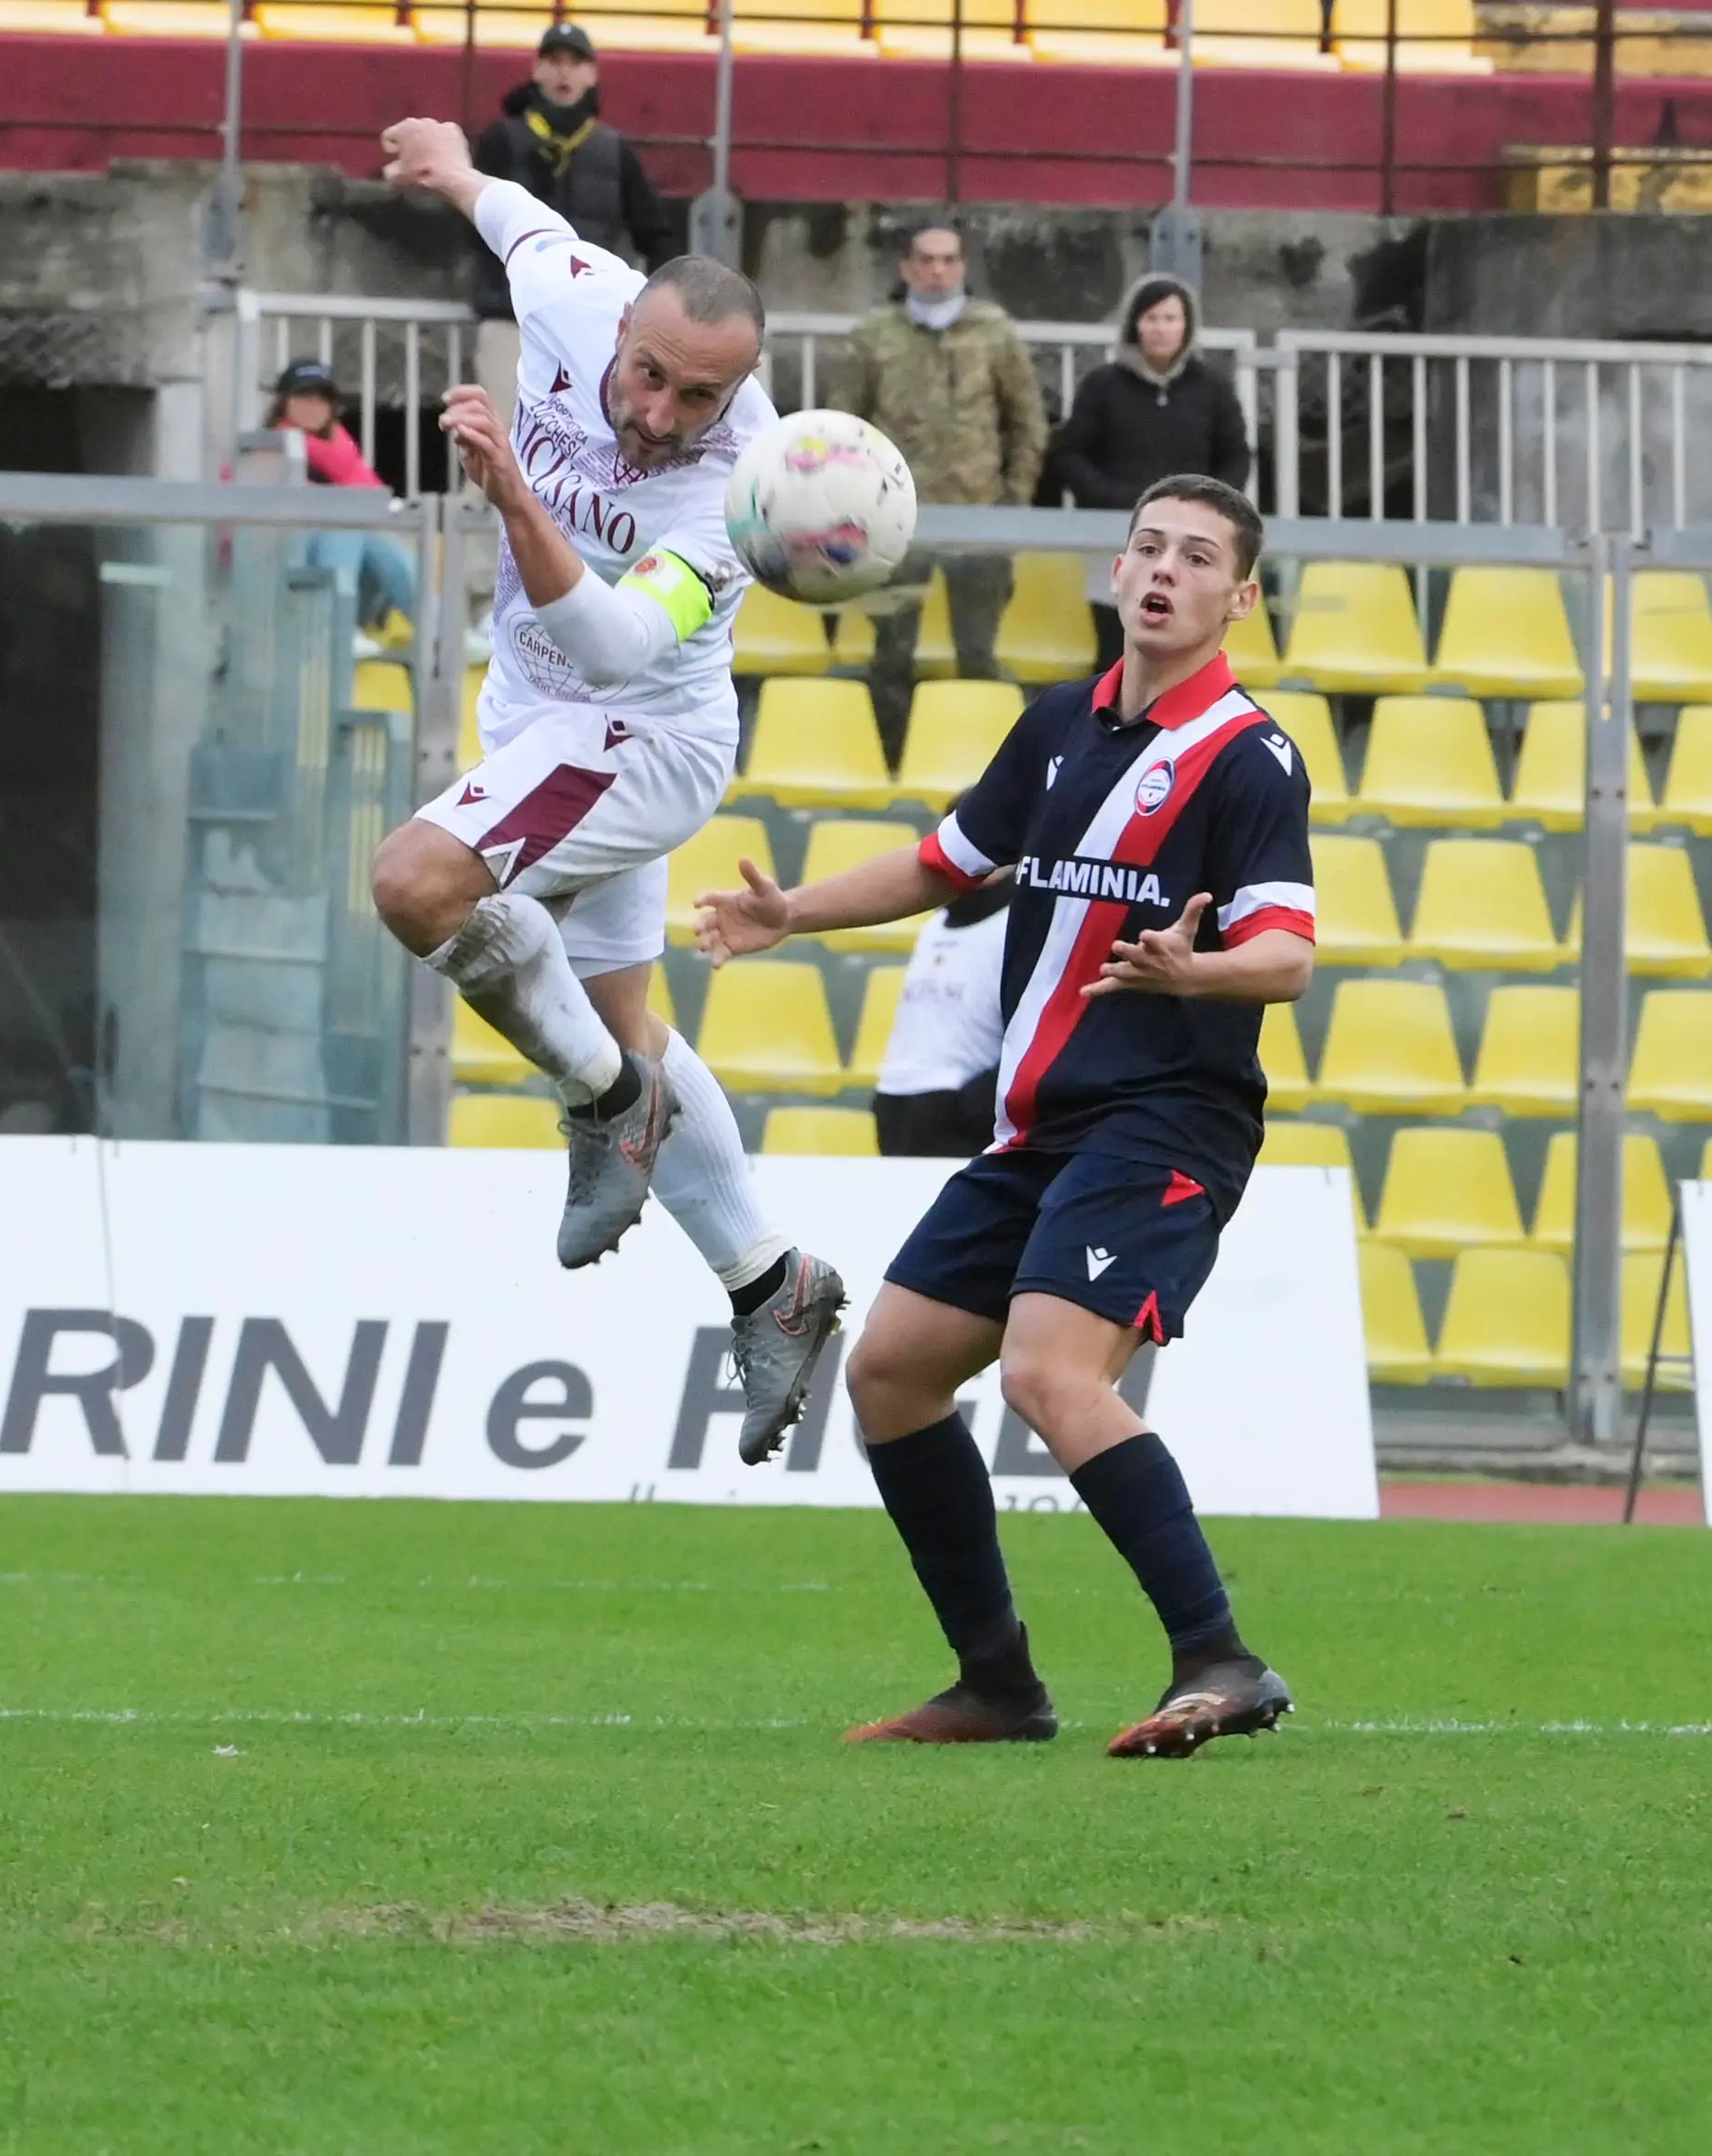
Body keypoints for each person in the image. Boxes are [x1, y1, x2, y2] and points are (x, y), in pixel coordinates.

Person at [696, 474, 1315, 1759]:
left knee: (1047, 1370)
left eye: (1197, 557)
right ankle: (996, 1684)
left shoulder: (1249, 758)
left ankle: (1222, 1656)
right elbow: (943, 865)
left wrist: (1191, 972)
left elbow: (1288, 956)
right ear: (1114, 568)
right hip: (1042, 1125)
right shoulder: (1055, 727)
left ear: (1238, 598)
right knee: (892, 1369)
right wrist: (789, 911)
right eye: (1147, 545)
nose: (1163, 571)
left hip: (1168, 1120)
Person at [371, 114, 847, 1467]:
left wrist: (516, 497)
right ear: (620, 323)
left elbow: (622, 644)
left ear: (738, 394)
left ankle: (606, 1102)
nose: (656, 415)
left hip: (641, 731)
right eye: (648, 376)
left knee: (416, 885)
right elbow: (514, 215)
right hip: (534, 711)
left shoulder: (744, 492)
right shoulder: (571, 292)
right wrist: (452, 161)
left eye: (697, 399)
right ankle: (771, 1280)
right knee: (625, 1011)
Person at [825, 227, 1046, 749]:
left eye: (948, 260)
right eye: (926, 260)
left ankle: (981, 765)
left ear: (964, 267)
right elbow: (842, 424)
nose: (937, 271)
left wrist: (1013, 497)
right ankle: (895, 758)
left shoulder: (995, 332)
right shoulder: (875, 334)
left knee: (977, 650)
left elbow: (1027, 421)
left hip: (980, 516)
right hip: (897, 518)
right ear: (906, 267)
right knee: (893, 651)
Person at [466, 25, 679, 448]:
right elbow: (474, 222)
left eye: (575, 62)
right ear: (537, 69)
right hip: (513, 319)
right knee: (500, 440)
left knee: (589, 443)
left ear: (592, 74)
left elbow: (656, 234)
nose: (564, 73)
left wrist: (664, 309)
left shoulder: (613, 151)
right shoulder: (501, 140)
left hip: (590, 325)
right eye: (554, 61)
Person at [1049, 275, 1253, 671]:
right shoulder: (1102, 386)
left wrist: (1209, 507)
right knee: (1115, 651)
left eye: (1171, 318)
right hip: (1117, 535)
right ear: (1134, 325)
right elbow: (1070, 456)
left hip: (1194, 541)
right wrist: (1115, 500)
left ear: (1187, 326)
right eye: (1151, 318)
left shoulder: (1212, 388)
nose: (1161, 328)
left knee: (1183, 648)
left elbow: (1236, 456)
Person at [272, 356, 418, 652]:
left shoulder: (341, 449)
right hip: (281, 580)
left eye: (322, 397)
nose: (313, 404)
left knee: (375, 536)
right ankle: (333, 630)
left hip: (344, 580)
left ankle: (439, 630)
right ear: (284, 401)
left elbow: (376, 503)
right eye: (304, 395)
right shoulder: (267, 448)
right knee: (345, 519)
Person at [872, 855, 1008, 1159]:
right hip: (897, 1100)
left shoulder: (1020, 921)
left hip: (960, 1106)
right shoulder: (934, 923)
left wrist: (975, 1101)